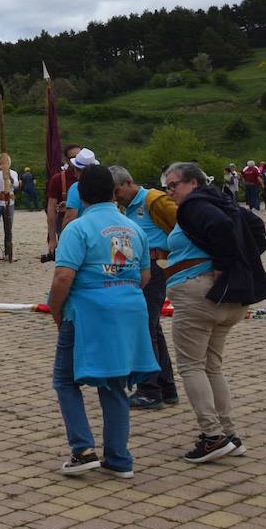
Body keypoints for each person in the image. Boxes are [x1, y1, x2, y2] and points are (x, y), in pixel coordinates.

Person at [47, 164, 157, 478]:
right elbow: (145, 275)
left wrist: (55, 308)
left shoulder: (77, 228)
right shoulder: (133, 228)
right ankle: (119, 459)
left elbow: (63, 277)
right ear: (113, 191)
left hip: (86, 312)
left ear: (80, 195)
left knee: (66, 380)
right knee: (114, 384)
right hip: (128, 309)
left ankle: (82, 449)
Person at [163, 161, 266, 463]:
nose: (170, 191)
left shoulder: (194, 205)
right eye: (167, 186)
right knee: (212, 366)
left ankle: (212, 436)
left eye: (174, 185)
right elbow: (257, 230)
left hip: (199, 296)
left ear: (193, 183)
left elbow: (222, 229)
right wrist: (239, 259)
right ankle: (229, 434)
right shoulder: (223, 202)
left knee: (191, 366)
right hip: (224, 299)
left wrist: (224, 264)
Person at [110, 166, 179, 411]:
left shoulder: (153, 200)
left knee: (145, 327)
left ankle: (150, 391)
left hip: (156, 267)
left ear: (128, 182)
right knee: (153, 327)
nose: (116, 197)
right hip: (142, 267)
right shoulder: (127, 207)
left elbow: (184, 224)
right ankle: (166, 387)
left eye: (118, 191)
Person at [44, 145, 84, 261]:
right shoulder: (58, 179)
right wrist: (52, 239)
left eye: (79, 156)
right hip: (67, 227)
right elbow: (51, 209)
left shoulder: (94, 177)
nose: (77, 160)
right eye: (73, 158)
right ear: (66, 160)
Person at [0, 153, 20, 261]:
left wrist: (9, 176)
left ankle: (8, 253)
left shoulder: (13, 172)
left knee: (8, 228)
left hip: (9, 203)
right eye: (1, 162)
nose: (3, 164)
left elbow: (16, 185)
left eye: (6, 162)